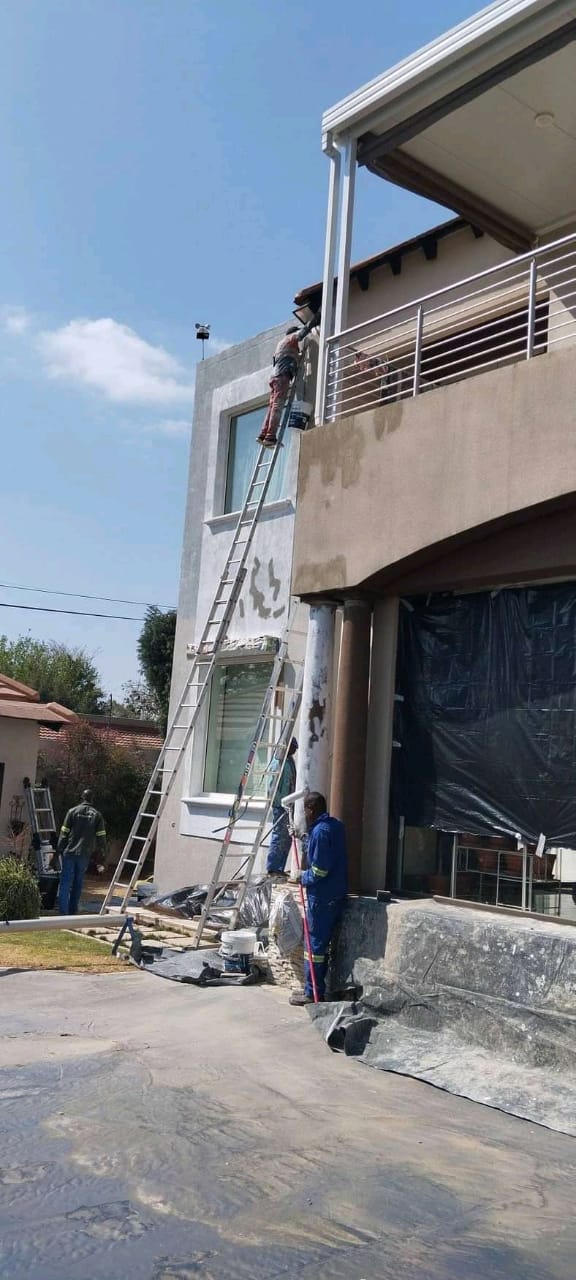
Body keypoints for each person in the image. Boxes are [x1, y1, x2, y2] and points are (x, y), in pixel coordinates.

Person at [289, 792, 347, 1005]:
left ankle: (312, 993)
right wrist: (302, 837)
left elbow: (320, 870)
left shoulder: (321, 832)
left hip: (321, 897)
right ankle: (317, 990)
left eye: (305, 809)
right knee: (322, 945)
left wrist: (301, 877)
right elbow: (324, 848)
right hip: (336, 894)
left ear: (310, 809)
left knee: (314, 947)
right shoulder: (335, 826)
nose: (304, 813)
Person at [257, 314, 319, 447]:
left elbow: (287, 357)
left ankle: (263, 434)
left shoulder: (280, 344)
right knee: (277, 406)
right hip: (282, 375)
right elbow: (301, 334)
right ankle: (270, 437)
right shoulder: (290, 338)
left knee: (272, 406)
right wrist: (314, 321)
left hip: (275, 377)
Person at [57, 788, 106, 915]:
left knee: (65, 882)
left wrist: (57, 852)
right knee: (78, 883)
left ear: (82, 797)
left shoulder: (72, 812)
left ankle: (63, 912)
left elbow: (64, 834)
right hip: (84, 854)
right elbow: (101, 838)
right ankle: (73, 911)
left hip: (69, 852)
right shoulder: (97, 815)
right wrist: (101, 857)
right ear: (92, 799)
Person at [266, 737, 298, 878]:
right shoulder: (277, 763)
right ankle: (273, 868)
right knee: (279, 836)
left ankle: (280, 867)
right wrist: (280, 804)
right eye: (293, 748)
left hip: (289, 805)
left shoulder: (290, 761)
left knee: (287, 837)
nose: (295, 751)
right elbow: (273, 788)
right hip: (280, 806)